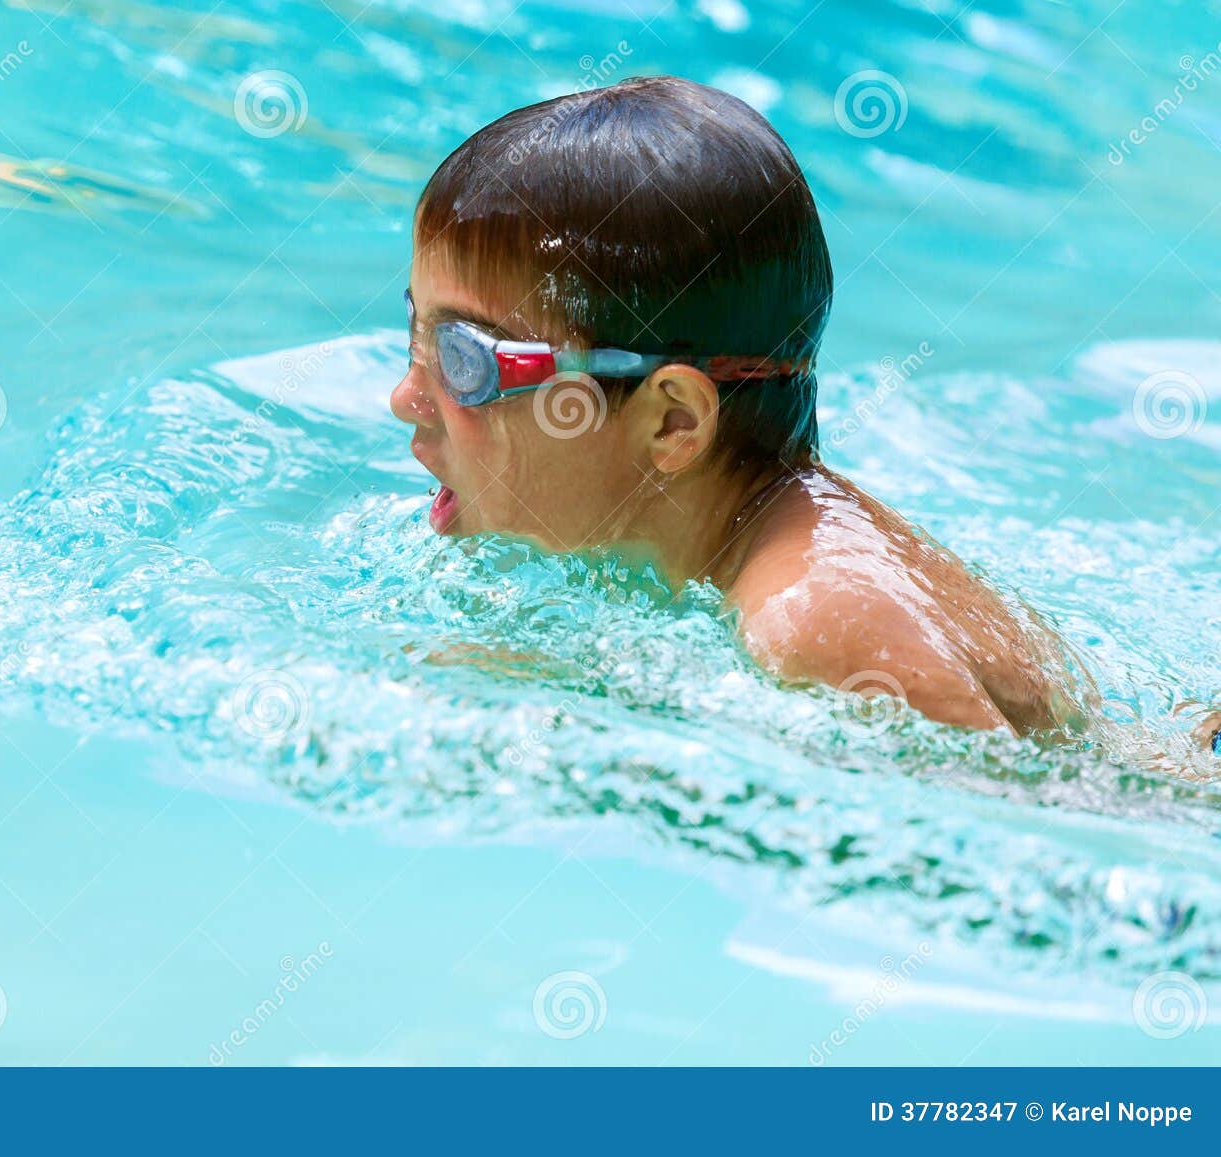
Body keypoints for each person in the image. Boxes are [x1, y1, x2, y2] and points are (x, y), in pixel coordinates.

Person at [390, 76, 1087, 736]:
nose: (406, 398)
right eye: (415, 330)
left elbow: (1020, 816)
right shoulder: (761, 564)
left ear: (674, 422)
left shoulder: (819, 621)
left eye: (464, 357)